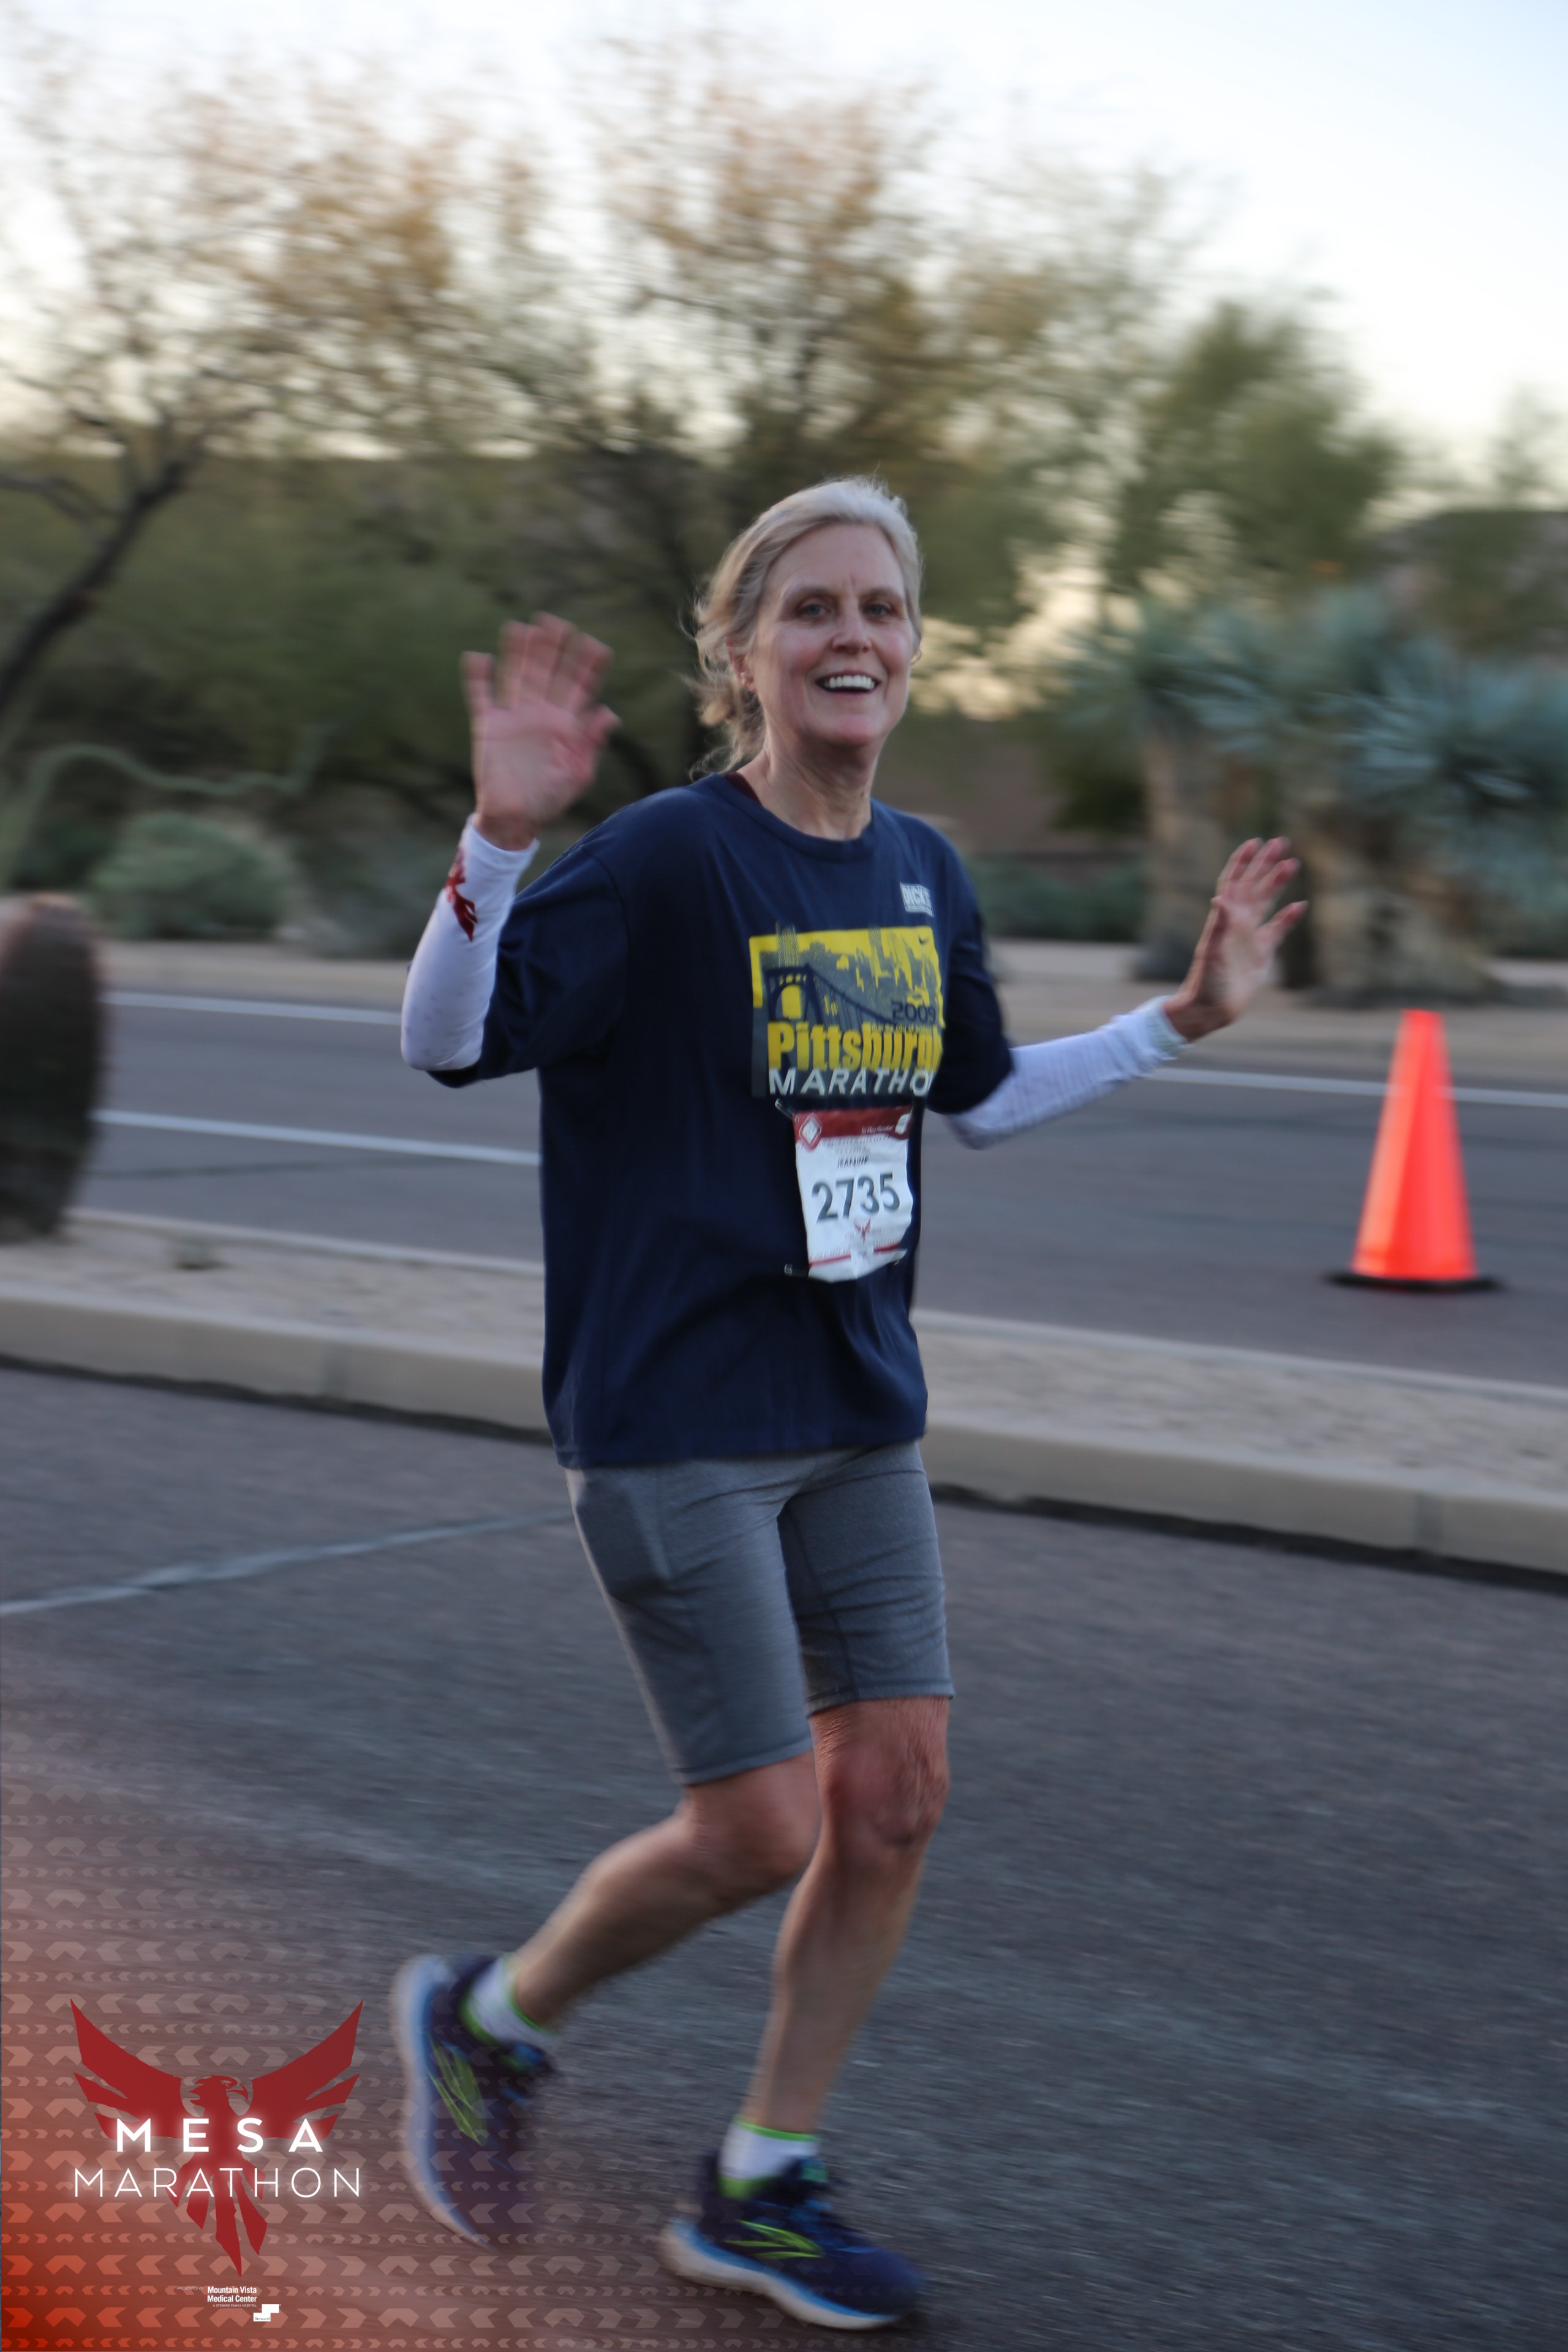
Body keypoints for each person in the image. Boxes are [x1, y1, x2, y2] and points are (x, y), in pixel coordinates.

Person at [393, 476, 1303, 2331]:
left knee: (892, 1797)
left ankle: (761, 2185)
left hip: (856, 1400)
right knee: (760, 1827)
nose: (853, 636)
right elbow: (450, 1041)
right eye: (811, 607)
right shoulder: (665, 858)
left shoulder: (922, 869)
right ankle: (491, 2022)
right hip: (676, 1411)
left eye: (880, 607)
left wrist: (1183, 1020)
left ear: (915, 645)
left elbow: (975, 1092)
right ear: (743, 651)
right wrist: (497, 843)